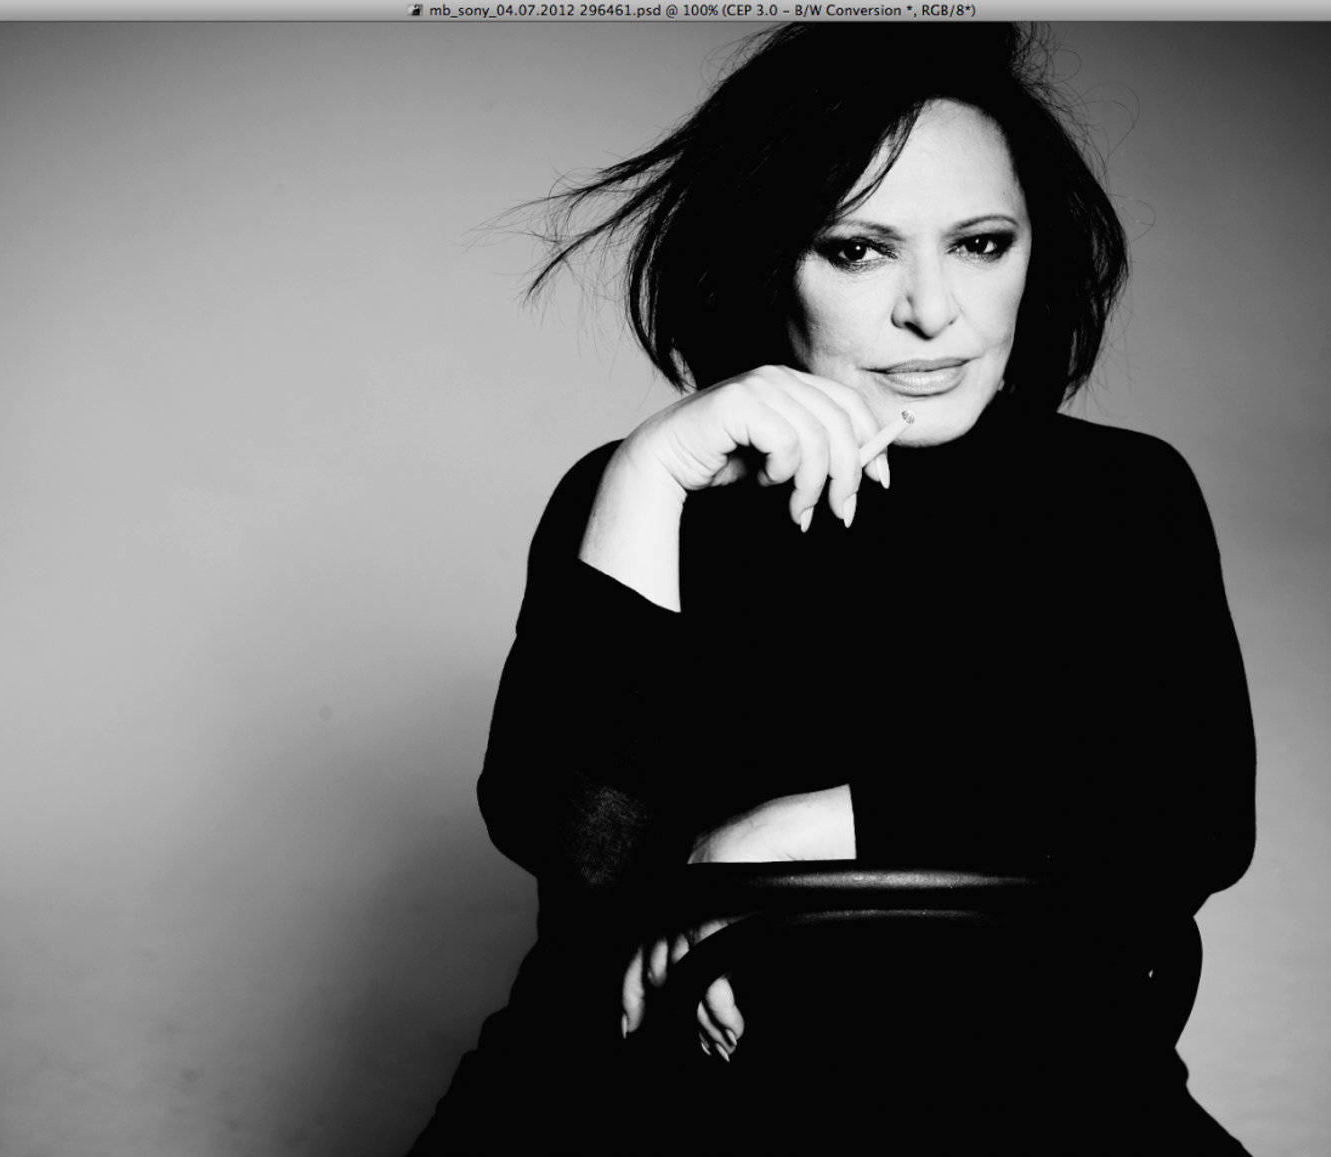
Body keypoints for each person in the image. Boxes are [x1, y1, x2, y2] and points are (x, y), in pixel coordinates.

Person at [409, 22, 1256, 1154]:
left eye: (981, 244)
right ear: (770, 258)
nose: (932, 310)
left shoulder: (1120, 496)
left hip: (1024, 1086)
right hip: (661, 1094)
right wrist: (651, 474)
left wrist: (793, 836)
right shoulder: (644, 494)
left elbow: (1190, 818)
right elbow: (576, 847)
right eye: (858, 250)